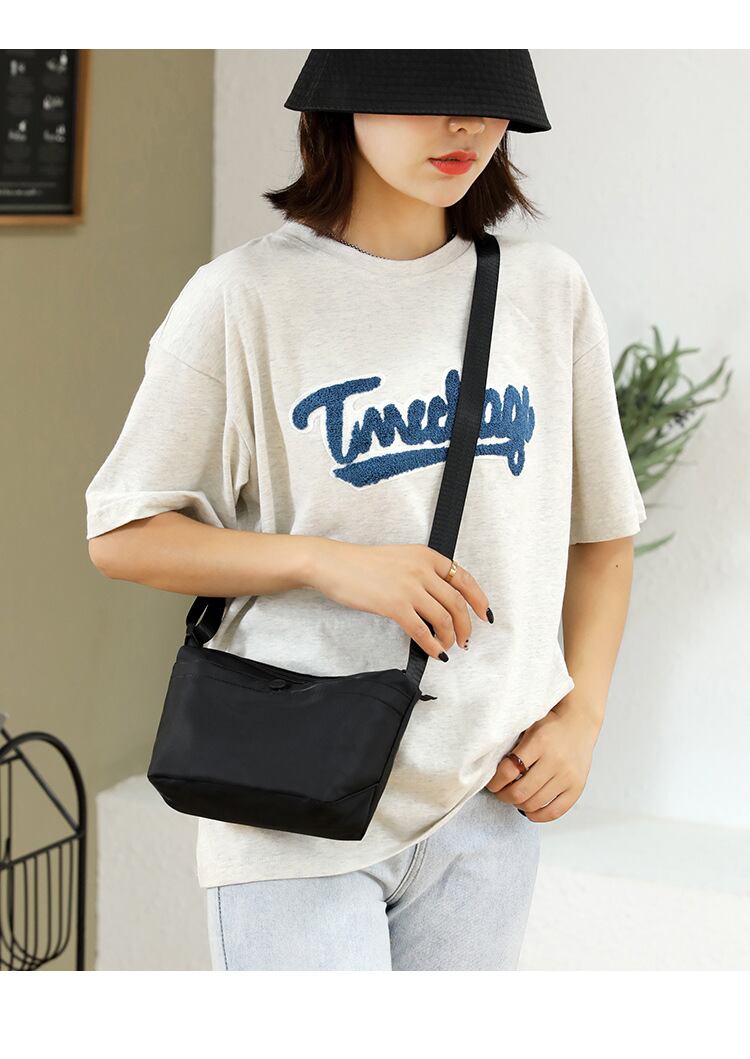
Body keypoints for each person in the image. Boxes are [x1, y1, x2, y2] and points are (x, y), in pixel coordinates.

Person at [85, 49, 647, 971]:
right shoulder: (243, 297)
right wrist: (328, 562)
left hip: (486, 800)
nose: (464, 125)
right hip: (292, 795)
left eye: (487, 103)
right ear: (344, 101)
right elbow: (123, 532)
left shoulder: (547, 293)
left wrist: (579, 720)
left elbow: (604, 536)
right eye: (429, 97)